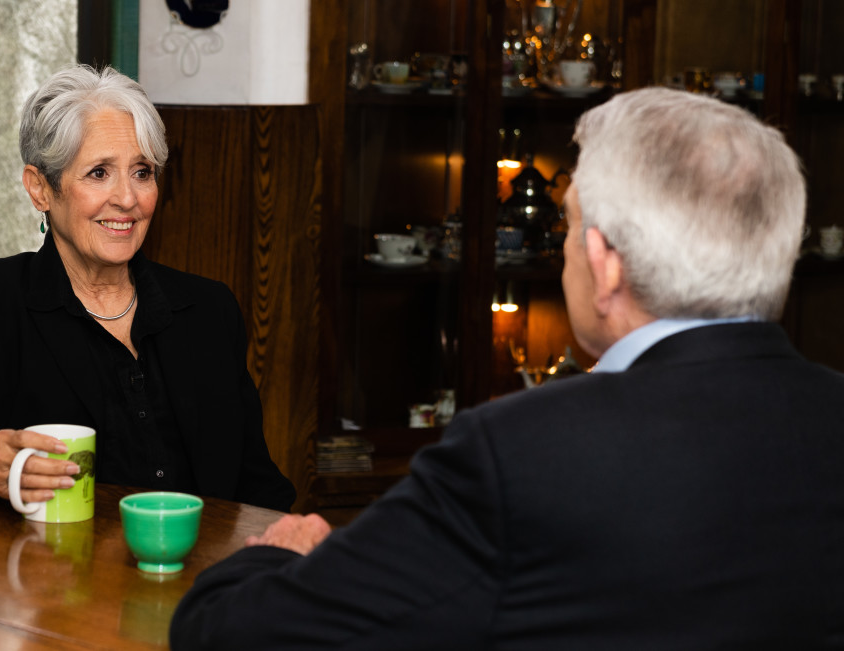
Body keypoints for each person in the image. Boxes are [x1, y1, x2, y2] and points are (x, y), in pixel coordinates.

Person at [169, 88, 844, 648]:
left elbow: (229, 636)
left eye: (570, 226)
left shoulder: (517, 454)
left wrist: (271, 554)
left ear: (605, 263)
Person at [0, 64, 295, 513]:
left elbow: (257, 482)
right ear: (40, 189)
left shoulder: (209, 310)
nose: (127, 199)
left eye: (142, 172)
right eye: (98, 173)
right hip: (54, 574)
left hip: (207, 574)